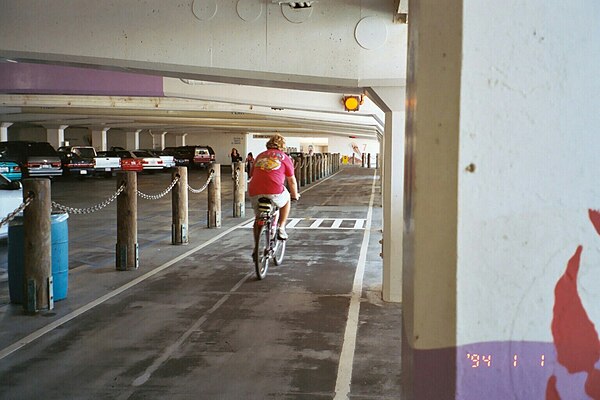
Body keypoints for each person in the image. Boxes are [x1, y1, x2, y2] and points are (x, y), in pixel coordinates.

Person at [248, 134, 299, 241]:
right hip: (274, 191)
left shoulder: (260, 156)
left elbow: (251, 175)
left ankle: (256, 247)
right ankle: (281, 227)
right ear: (282, 146)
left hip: (254, 191)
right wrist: (294, 195)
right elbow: (291, 181)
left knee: (258, 218)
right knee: (287, 199)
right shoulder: (285, 157)